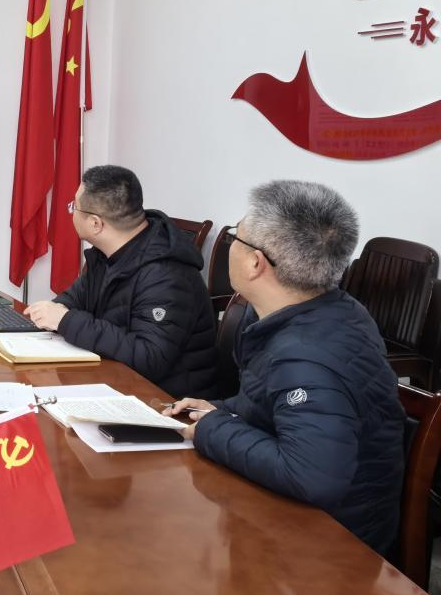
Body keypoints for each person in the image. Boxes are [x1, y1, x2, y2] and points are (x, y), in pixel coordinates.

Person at [168, 180, 404, 555]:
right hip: (295, 514)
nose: (229, 246)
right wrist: (221, 410)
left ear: (255, 262)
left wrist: (212, 427)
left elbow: (312, 477)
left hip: (330, 546)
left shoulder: (307, 355)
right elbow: (275, 404)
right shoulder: (328, 308)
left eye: (235, 237)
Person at [26, 165, 217, 399]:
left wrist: (66, 320)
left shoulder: (166, 275)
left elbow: (149, 358)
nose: (71, 212)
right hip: (117, 381)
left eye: (74, 207)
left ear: (96, 224)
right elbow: (75, 299)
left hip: (167, 401)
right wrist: (56, 313)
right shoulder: (107, 253)